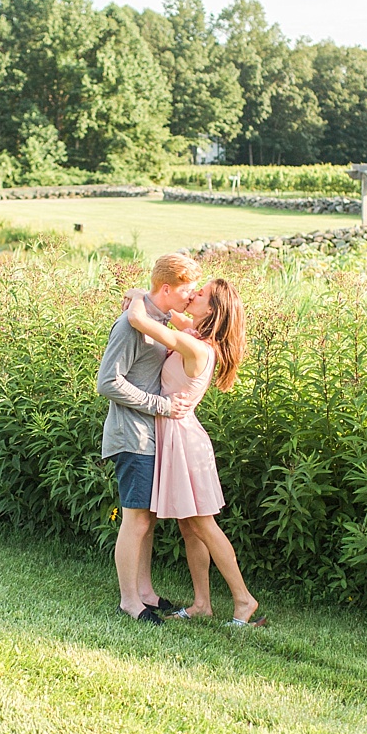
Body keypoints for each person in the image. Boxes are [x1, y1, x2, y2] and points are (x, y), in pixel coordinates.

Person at [126, 278, 262, 626]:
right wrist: (178, 317)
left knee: (203, 524)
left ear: (212, 310)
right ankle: (203, 603)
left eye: (199, 295)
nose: (192, 295)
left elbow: (141, 321)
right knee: (190, 526)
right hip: (175, 436)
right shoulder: (197, 339)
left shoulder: (198, 347)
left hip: (184, 441)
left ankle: (244, 601)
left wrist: (142, 294)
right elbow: (176, 320)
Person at [96, 253, 200, 624]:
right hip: (132, 436)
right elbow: (107, 382)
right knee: (136, 520)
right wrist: (160, 405)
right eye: (188, 290)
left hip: (152, 435)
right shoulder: (131, 325)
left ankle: (146, 592)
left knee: (148, 519)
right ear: (168, 288)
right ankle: (129, 601)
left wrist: (137, 291)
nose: (192, 296)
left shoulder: (158, 318)